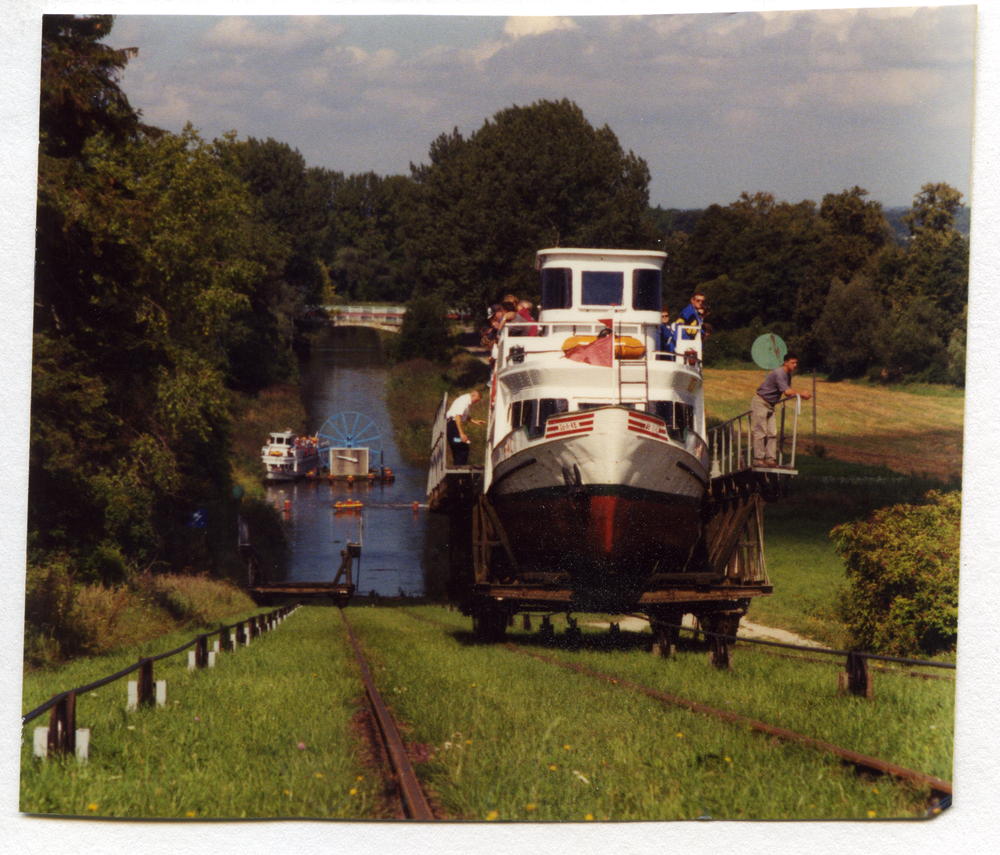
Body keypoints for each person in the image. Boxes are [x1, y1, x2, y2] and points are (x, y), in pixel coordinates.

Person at [751, 353, 811, 466]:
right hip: (761, 402)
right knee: (761, 432)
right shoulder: (779, 373)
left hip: (770, 405)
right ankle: (758, 459)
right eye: (792, 362)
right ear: (786, 363)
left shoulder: (788, 376)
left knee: (772, 432)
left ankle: (770, 459)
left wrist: (799, 395)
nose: (795, 365)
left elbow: (789, 391)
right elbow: (787, 392)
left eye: (796, 363)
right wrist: (801, 393)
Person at [446, 389, 485, 465]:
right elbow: (457, 417)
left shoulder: (465, 400)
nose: (475, 402)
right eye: (476, 400)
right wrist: (462, 434)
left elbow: (463, 414)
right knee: (463, 448)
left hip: (452, 425)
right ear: (473, 395)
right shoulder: (464, 401)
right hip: (452, 426)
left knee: (458, 449)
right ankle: (459, 473)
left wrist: (474, 421)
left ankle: (456, 472)